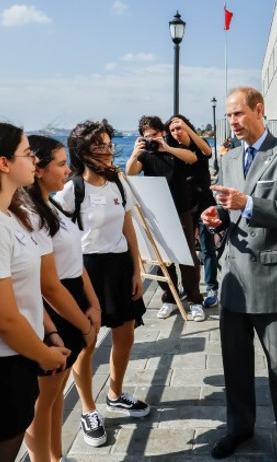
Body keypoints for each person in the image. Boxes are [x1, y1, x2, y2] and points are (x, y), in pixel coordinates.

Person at [201, 86, 277, 461]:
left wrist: (247, 203)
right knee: (235, 364)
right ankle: (239, 428)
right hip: (235, 277)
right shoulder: (229, 158)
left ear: (258, 111)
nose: (232, 121)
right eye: (228, 115)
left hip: (273, 279)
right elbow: (228, 211)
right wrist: (216, 217)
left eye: (238, 113)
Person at [0, 122, 70, 462]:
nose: (34, 161)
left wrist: (48, 332)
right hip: (1, 363)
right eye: (27, 154)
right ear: (3, 163)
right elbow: (3, 318)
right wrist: (44, 355)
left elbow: (25, 292)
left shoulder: (8, 216)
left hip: (18, 355)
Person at [56, 120, 151, 421]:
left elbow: (128, 228)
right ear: (82, 151)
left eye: (109, 145)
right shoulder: (71, 190)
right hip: (86, 270)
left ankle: (115, 393)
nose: (108, 151)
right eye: (100, 146)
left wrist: (136, 270)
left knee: (126, 334)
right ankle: (87, 409)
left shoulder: (118, 184)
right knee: (86, 342)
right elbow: (60, 239)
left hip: (119, 266)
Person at [23, 135, 102, 461]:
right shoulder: (32, 215)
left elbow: (75, 262)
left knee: (56, 395)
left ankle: (56, 456)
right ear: (38, 170)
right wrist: (84, 325)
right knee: (43, 401)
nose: (68, 170)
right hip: (57, 311)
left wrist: (93, 303)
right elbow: (48, 285)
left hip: (73, 302)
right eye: (60, 164)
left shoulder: (51, 205)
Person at [126, 115, 205, 322]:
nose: (152, 138)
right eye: (147, 136)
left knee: (188, 257)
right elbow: (130, 173)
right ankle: (170, 297)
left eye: (155, 134)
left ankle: (195, 300)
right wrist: (135, 154)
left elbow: (193, 158)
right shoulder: (145, 153)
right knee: (163, 257)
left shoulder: (173, 145)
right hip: (156, 211)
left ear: (162, 132)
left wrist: (167, 148)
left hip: (181, 208)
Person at [165, 114, 220, 309]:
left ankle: (212, 287)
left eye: (179, 128)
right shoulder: (173, 150)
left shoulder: (198, 144)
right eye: (172, 130)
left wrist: (187, 129)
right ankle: (187, 288)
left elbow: (207, 152)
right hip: (185, 206)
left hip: (204, 202)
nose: (176, 132)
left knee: (207, 247)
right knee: (186, 250)